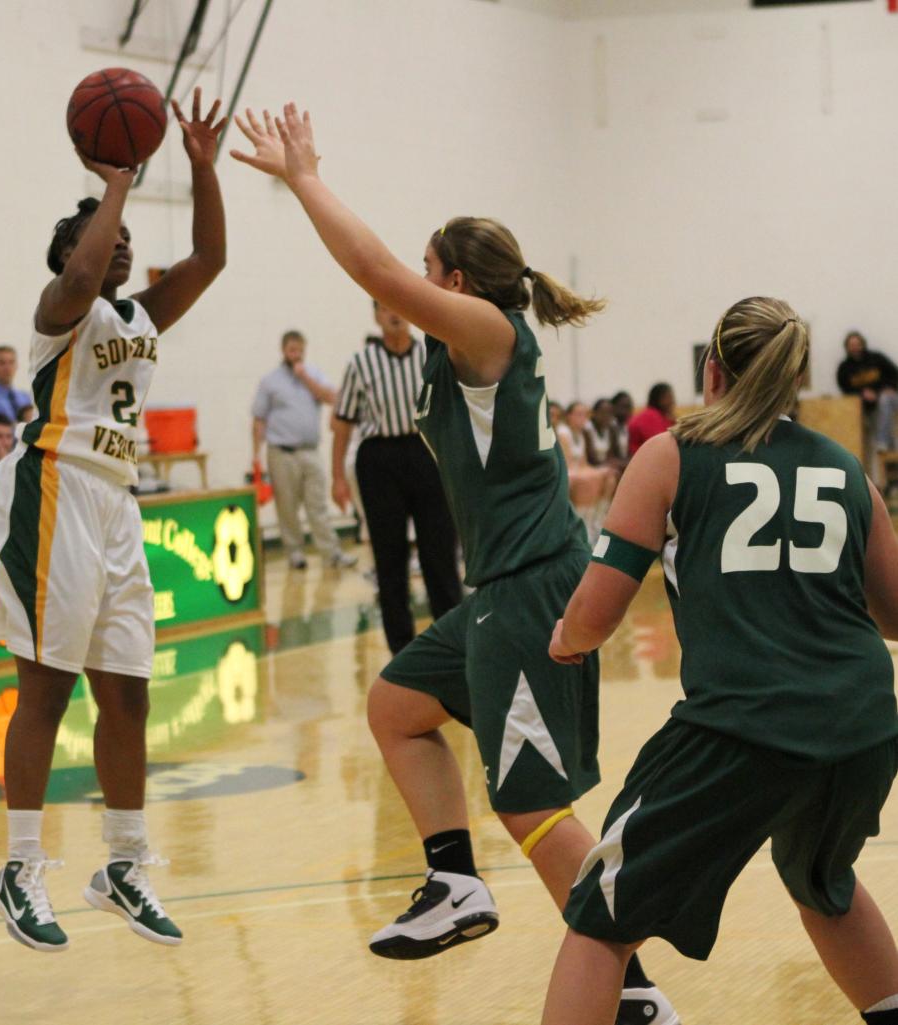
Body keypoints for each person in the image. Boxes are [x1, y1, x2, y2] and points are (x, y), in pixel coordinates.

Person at [231, 104, 676, 1025]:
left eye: (429, 273)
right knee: (396, 705)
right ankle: (455, 884)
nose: (412, 287)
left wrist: (301, 175)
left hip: (528, 590)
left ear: (460, 282)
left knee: (532, 808)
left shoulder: (485, 332)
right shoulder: (476, 349)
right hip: (504, 585)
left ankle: (631, 989)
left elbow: (373, 269)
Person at [546, 297, 898, 1025]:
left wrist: (567, 640)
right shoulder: (844, 469)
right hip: (861, 724)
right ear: (794, 376)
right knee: (821, 881)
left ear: (710, 370)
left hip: (744, 721)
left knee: (598, 910)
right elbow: (894, 615)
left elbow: (599, 606)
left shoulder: (671, 453)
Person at [0, 88, 226, 953]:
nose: (120, 245)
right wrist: (114, 186)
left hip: (116, 502)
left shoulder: (139, 315)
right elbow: (83, 273)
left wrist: (200, 167)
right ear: (70, 252)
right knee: (45, 685)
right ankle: (17, 866)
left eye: (126, 239)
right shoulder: (60, 311)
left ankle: (123, 864)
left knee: (126, 689)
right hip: (51, 489)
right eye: (104, 236)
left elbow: (209, 256)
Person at [331, 300, 463, 653]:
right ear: (375, 316)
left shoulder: (432, 355)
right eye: (385, 308)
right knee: (390, 557)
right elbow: (342, 422)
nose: (394, 313)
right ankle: (401, 648)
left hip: (426, 452)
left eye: (400, 307)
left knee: (440, 552)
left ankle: (452, 643)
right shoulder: (360, 364)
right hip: (379, 460)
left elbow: (454, 409)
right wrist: (337, 477)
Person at [252, 330, 357, 570]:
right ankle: (295, 553)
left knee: (318, 504)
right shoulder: (270, 381)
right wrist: (256, 456)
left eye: (299, 349)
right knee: (287, 507)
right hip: (281, 452)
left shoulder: (314, 375)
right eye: (291, 349)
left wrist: (306, 379)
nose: (295, 353)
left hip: (310, 451)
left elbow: (334, 399)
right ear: (283, 350)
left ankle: (331, 553)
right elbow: (259, 420)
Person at [557, 401, 617, 543]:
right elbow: (567, 463)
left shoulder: (581, 434)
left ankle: (598, 519)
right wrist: (591, 474)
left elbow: (584, 464)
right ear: (568, 416)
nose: (582, 418)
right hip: (565, 471)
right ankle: (583, 525)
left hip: (577, 471)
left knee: (609, 476)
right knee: (589, 479)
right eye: (578, 414)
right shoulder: (563, 432)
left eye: (584, 415)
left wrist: (600, 471)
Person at [836, 330, 898, 456]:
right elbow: (846, 389)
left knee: (885, 398)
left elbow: (894, 374)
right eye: (851, 345)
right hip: (867, 408)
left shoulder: (877, 359)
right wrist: (862, 394)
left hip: (888, 398)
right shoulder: (844, 368)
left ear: (862, 344)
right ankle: (887, 448)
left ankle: (883, 442)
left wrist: (888, 388)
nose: (855, 348)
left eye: (857, 344)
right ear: (847, 347)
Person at [626, 382, 675, 456]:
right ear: (660, 399)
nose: (672, 401)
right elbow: (661, 445)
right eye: (669, 397)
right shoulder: (650, 417)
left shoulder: (664, 417)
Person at [585, 398, 622, 469]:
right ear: (594, 413)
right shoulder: (587, 430)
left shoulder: (611, 429)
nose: (606, 416)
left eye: (610, 413)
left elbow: (614, 454)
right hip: (591, 467)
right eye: (603, 412)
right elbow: (591, 459)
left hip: (606, 466)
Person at [611, 390, 634, 461]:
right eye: (625, 407)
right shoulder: (610, 427)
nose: (628, 411)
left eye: (630, 407)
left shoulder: (626, 426)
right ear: (613, 407)